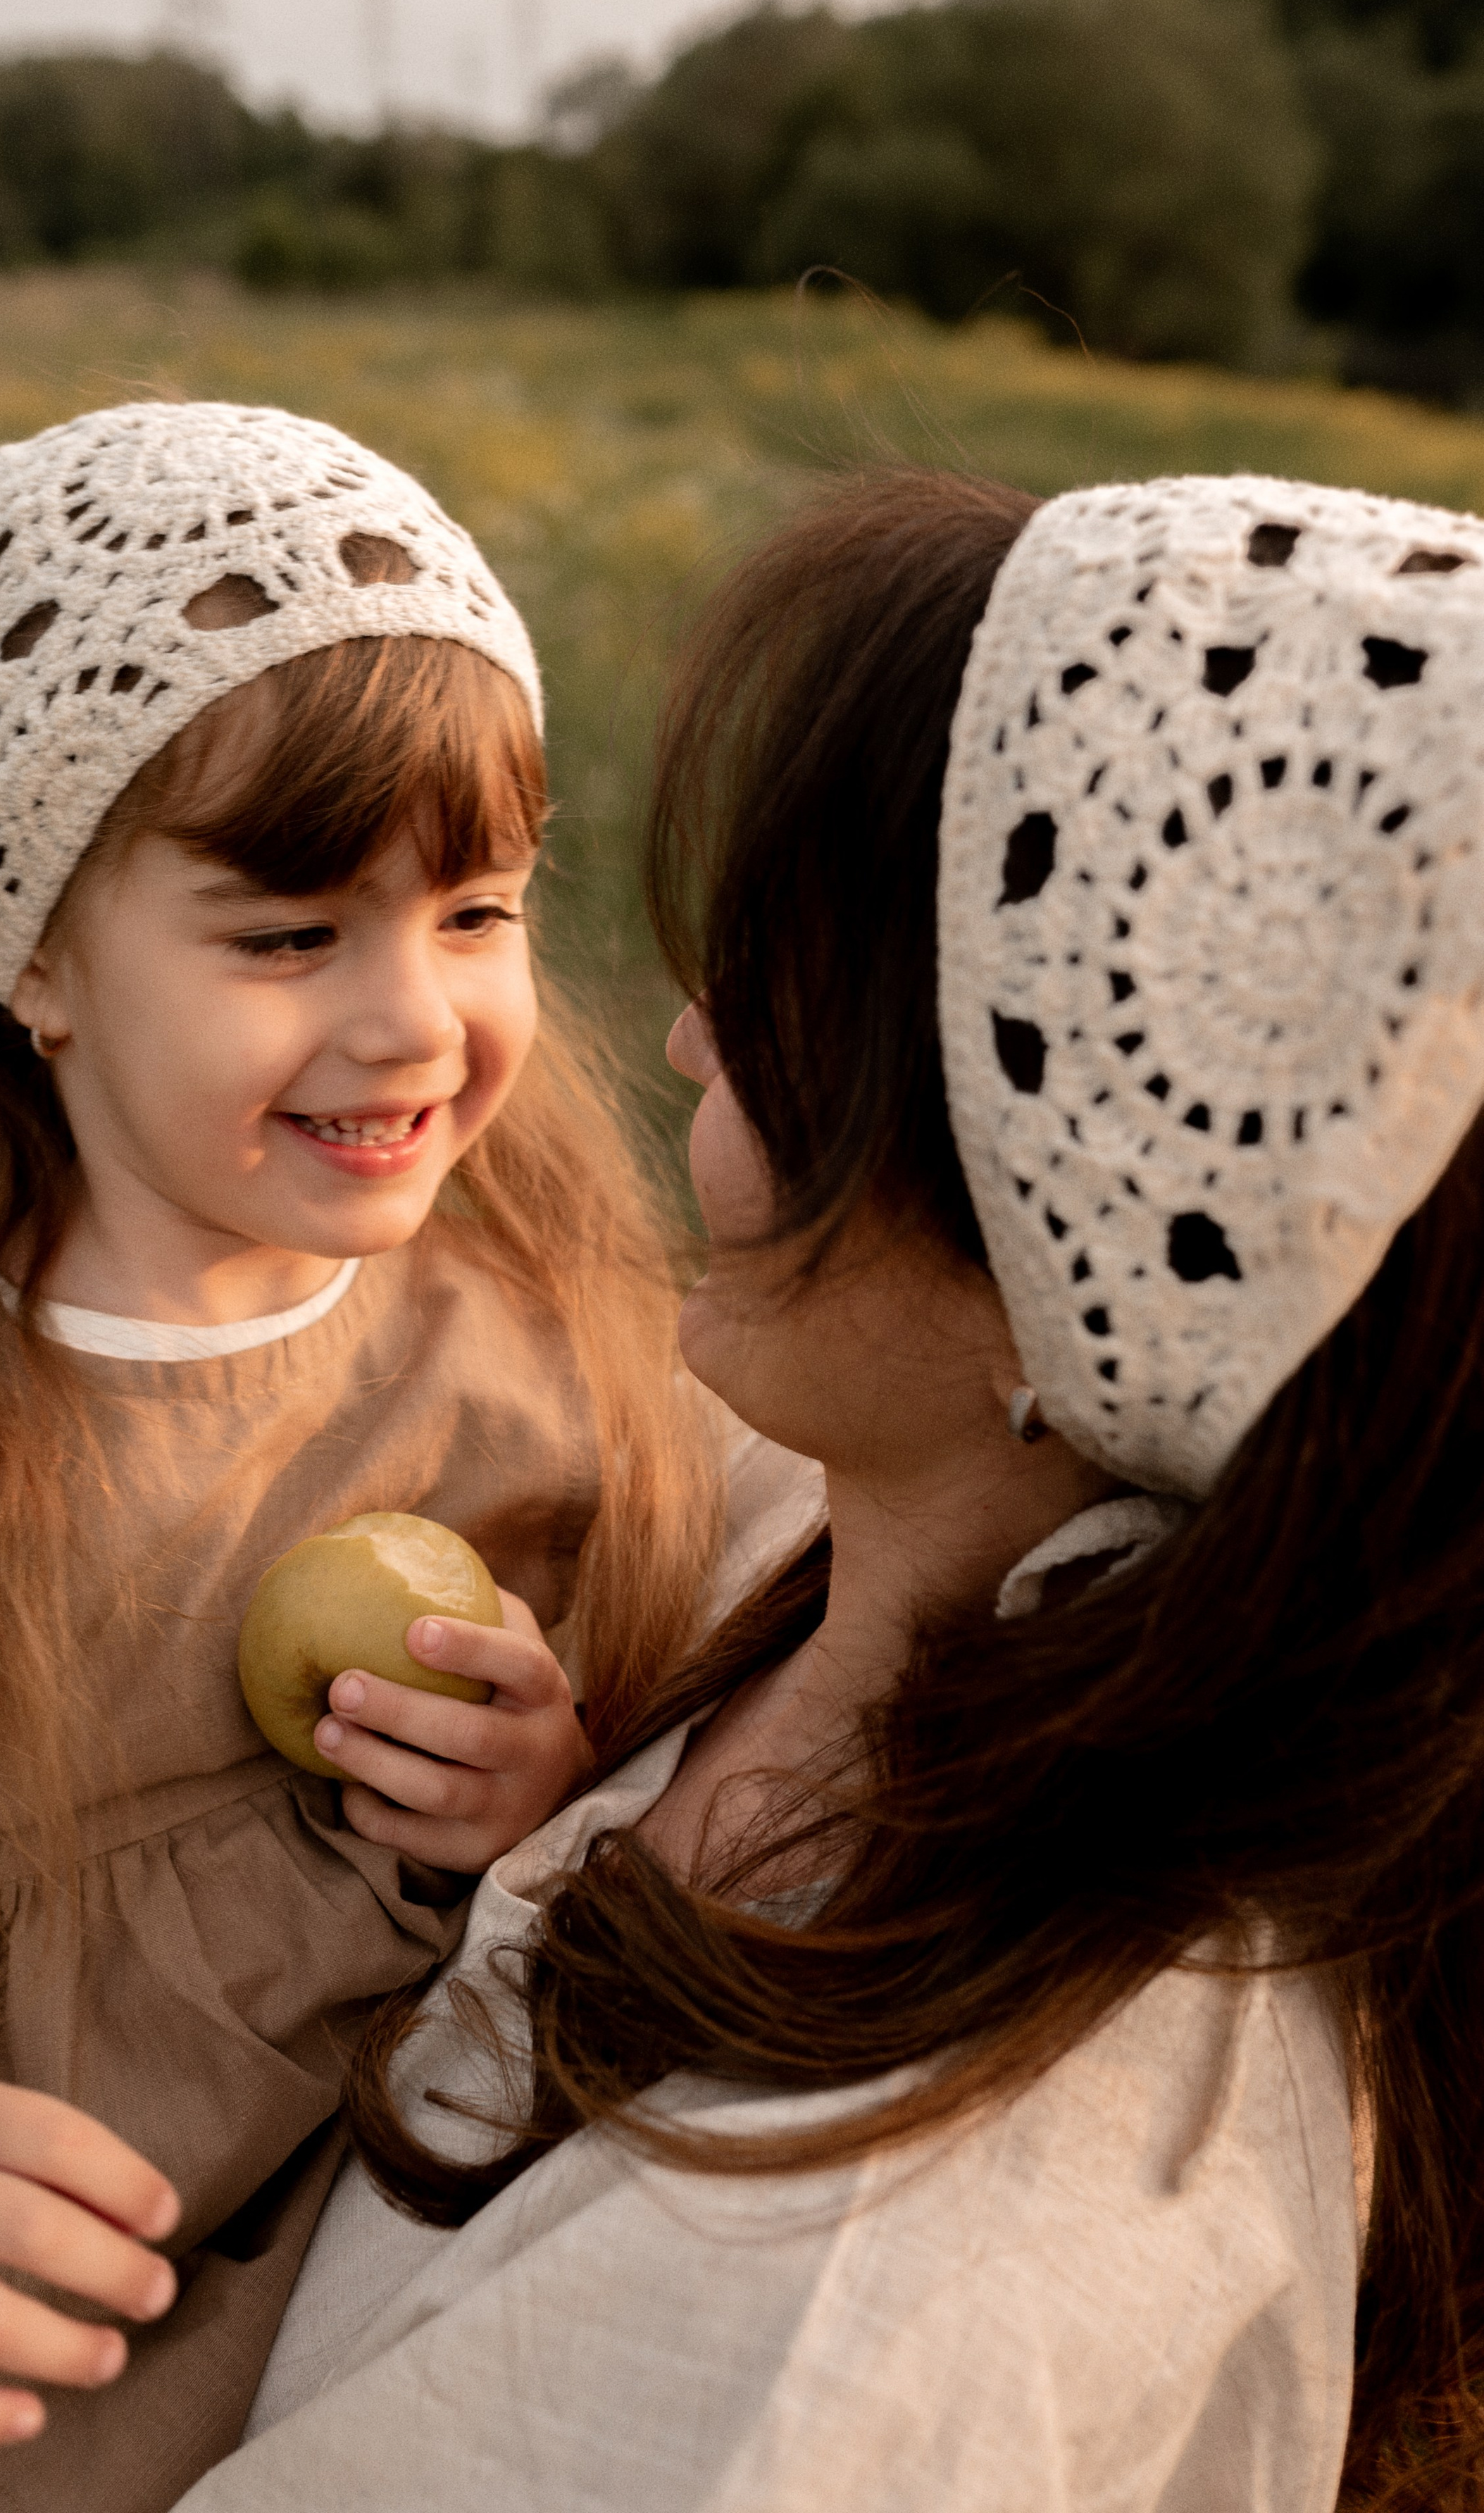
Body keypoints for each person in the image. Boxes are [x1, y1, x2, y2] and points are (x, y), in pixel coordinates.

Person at [179, 463, 1484, 2513]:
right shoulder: (883, 1549)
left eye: (789, 1005)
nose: (689, 1040)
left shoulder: (833, 2327)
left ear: (1060, 1238)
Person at [0, 404, 818, 2513]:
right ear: (29, 953)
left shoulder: (544, 1353)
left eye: (474, 909)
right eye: (291, 936)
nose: (411, 1020)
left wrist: (532, 1791)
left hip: (369, 2363)